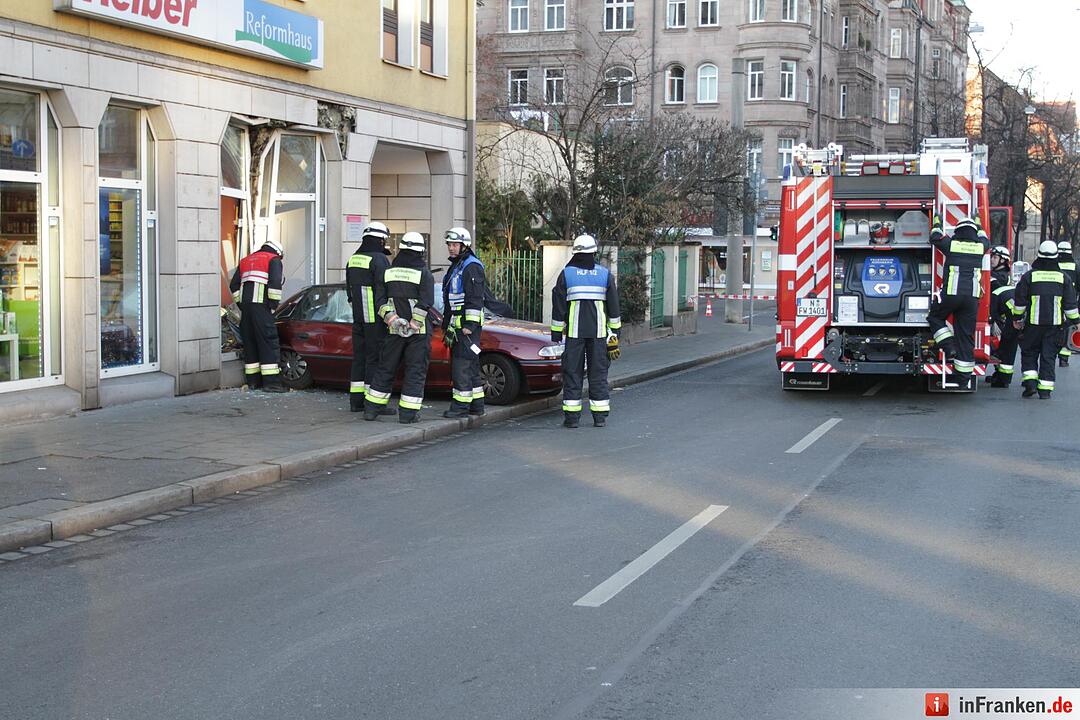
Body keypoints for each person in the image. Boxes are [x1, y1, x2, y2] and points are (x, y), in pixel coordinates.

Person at [550, 234, 621, 428]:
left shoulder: (566, 274)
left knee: (572, 374)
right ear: (594, 253)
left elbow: (558, 307)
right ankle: (600, 418)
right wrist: (615, 335)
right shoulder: (605, 274)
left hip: (574, 335)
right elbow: (614, 308)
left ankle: (572, 419)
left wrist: (556, 333)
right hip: (598, 335)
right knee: (598, 375)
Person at [364, 232, 435, 423]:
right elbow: (426, 301)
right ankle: (408, 414)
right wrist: (414, 323)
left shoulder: (388, 272)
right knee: (415, 370)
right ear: (421, 251)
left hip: (394, 330)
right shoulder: (424, 273)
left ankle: (371, 409)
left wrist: (393, 319)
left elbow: (379, 301)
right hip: (418, 332)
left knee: (385, 367)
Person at [926, 215, 989, 389]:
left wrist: (937, 222)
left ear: (958, 232)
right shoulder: (980, 247)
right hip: (971, 298)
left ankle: (948, 346)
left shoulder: (952, 244)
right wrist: (979, 222)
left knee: (935, 317)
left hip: (951, 294)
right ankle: (963, 378)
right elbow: (984, 237)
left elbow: (935, 237)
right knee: (965, 335)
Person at [1012, 240, 1080, 399]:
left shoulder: (1029, 276)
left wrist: (1017, 318)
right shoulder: (1063, 278)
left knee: (1029, 353)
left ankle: (1030, 384)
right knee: (1048, 356)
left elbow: (1020, 301)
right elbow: (1070, 305)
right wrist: (1076, 322)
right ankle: (1045, 391)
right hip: (1054, 326)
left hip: (1032, 325)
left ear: (1039, 256)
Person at [345, 221, 393, 413]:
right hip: (376, 320)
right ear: (380, 240)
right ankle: (374, 403)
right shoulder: (379, 260)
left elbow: (349, 292)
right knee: (375, 360)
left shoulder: (353, 258)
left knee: (359, 358)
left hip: (358, 319)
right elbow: (385, 290)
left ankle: (356, 401)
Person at [441, 227, 488, 419]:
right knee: (471, 366)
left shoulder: (471, 266)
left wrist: (470, 325)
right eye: (449, 245)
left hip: (466, 328)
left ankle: (460, 407)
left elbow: (475, 298)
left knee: (461, 366)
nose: (451, 248)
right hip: (457, 325)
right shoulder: (459, 265)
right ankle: (477, 405)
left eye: (454, 245)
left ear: (464, 245)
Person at [229, 238, 286, 393]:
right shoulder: (273, 260)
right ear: (278, 252)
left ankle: (253, 382)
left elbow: (233, 285)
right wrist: (273, 306)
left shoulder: (246, 260)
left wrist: (241, 304)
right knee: (268, 342)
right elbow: (275, 284)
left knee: (251, 343)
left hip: (246, 310)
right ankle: (272, 384)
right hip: (262, 308)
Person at [987, 245, 1019, 388]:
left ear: (1003, 261)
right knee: (1004, 347)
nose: (992, 260)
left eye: (995, 257)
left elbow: (994, 299)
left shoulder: (997, 278)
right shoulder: (1003, 276)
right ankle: (999, 375)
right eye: (991, 257)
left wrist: (993, 320)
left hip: (1004, 318)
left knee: (1005, 347)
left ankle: (1003, 378)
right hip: (1003, 316)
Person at [1056, 240, 1078, 367]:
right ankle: (1064, 357)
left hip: (1054, 303)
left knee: (1055, 329)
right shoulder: (1076, 267)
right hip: (1070, 304)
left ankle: (1053, 352)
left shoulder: (1053, 265)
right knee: (1069, 330)